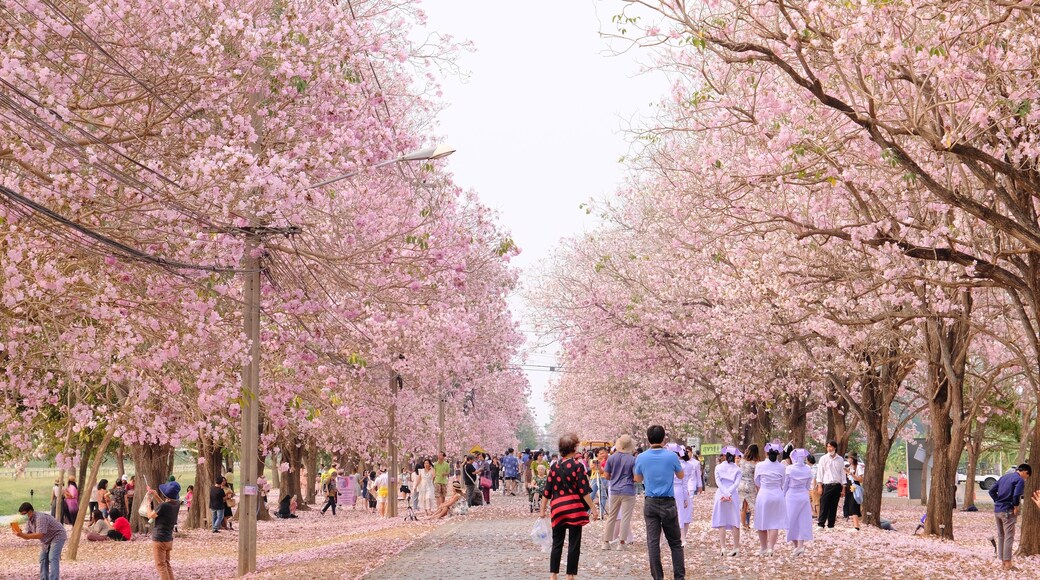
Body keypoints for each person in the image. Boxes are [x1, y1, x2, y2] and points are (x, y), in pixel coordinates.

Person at [539, 432, 596, 580]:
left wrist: (542, 510)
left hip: (557, 509)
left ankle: (553, 574)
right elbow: (583, 491)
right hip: (574, 509)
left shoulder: (554, 467)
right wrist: (594, 508)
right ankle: (570, 575)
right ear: (574, 448)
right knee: (574, 543)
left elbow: (547, 491)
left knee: (557, 542)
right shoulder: (578, 466)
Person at [634, 425, 686, 580]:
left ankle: (658, 577)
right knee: (675, 543)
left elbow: (637, 479)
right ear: (664, 438)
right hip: (668, 503)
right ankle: (679, 576)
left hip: (650, 502)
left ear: (648, 438)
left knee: (653, 542)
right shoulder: (671, 456)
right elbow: (681, 475)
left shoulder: (641, 457)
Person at [989, 463, 1031, 571]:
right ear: (1025, 472)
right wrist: (1016, 506)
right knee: (1009, 536)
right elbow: (1017, 495)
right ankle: (1007, 563)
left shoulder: (1004, 477)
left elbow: (991, 491)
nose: (1026, 479)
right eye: (1027, 476)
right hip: (1008, 510)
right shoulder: (1019, 480)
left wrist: (997, 501)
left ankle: (1002, 561)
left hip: (998, 510)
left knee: (1001, 536)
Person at [602, 434, 638, 551]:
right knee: (625, 517)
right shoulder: (633, 460)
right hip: (628, 490)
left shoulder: (611, 458)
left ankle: (606, 542)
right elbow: (636, 477)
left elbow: (606, 475)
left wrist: (614, 478)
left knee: (612, 516)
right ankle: (621, 543)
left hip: (614, 489)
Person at [16, 501, 67, 578]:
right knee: (43, 559)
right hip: (46, 539)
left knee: (53, 557)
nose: (24, 516)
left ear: (30, 511)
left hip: (57, 535)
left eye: (24, 514)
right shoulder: (29, 521)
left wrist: (24, 535)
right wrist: (20, 533)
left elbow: (40, 534)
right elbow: (28, 534)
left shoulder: (40, 517)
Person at [754, 441, 788, 556]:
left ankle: (763, 547)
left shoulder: (760, 465)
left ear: (766, 453)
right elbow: (783, 482)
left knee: (761, 521)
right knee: (774, 523)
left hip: (764, 494)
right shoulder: (782, 467)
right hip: (777, 495)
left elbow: (756, 481)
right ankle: (770, 548)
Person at [783, 449, 814, 556]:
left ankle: (797, 546)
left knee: (790, 520)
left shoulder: (789, 468)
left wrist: (783, 496)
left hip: (791, 496)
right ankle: (800, 546)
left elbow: (785, 485)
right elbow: (808, 486)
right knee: (802, 521)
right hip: (803, 495)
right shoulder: (808, 469)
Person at [713, 446, 742, 556]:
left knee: (721, 521)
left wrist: (725, 493)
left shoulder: (718, 467)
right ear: (734, 456)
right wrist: (729, 493)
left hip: (721, 495)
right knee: (735, 520)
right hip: (733, 495)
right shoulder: (737, 469)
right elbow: (736, 484)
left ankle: (723, 547)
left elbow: (718, 482)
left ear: (725, 456)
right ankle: (736, 547)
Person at [147, 482, 180, 580]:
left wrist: (148, 504)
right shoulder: (176, 504)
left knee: (161, 565)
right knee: (166, 564)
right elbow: (163, 505)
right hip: (168, 539)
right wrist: (156, 495)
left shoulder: (164, 506)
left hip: (159, 539)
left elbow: (150, 515)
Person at [815, 440, 846, 529]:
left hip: (837, 485)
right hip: (827, 484)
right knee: (824, 505)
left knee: (833, 506)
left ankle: (831, 525)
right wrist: (820, 485)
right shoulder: (823, 458)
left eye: (831, 446)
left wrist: (843, 488)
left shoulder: (840, 459)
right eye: (828, 446)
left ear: (835, 448)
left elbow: (842, 474)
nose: (829, 448)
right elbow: (820, 473)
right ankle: (821, 524)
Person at [669, 445, 695, 547]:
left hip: (670, 489)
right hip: (679, 490)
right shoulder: (685, 466)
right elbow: (684, 483)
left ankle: (669, 538)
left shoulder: (670, 465)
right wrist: (685, 498)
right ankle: (682, 538)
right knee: (681, 513)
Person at [739, 444, 759, 530]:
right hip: (750, 485)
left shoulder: (741, 462)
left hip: (741, 484)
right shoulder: (755, 464)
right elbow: (756, 476)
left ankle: (744, 525)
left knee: (743, 506)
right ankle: (757, 525)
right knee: (755, 506)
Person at [843, 453, 864, 530]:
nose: (848, 459)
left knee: (854, 506)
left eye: (849, 458)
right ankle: (855, 525)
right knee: (849, 506)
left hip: (855, 486)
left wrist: (852, 474)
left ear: (853, 458)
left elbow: (861, 479)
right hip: (849, 488)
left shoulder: (858, 467)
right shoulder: (850, 467)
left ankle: (856, 526)